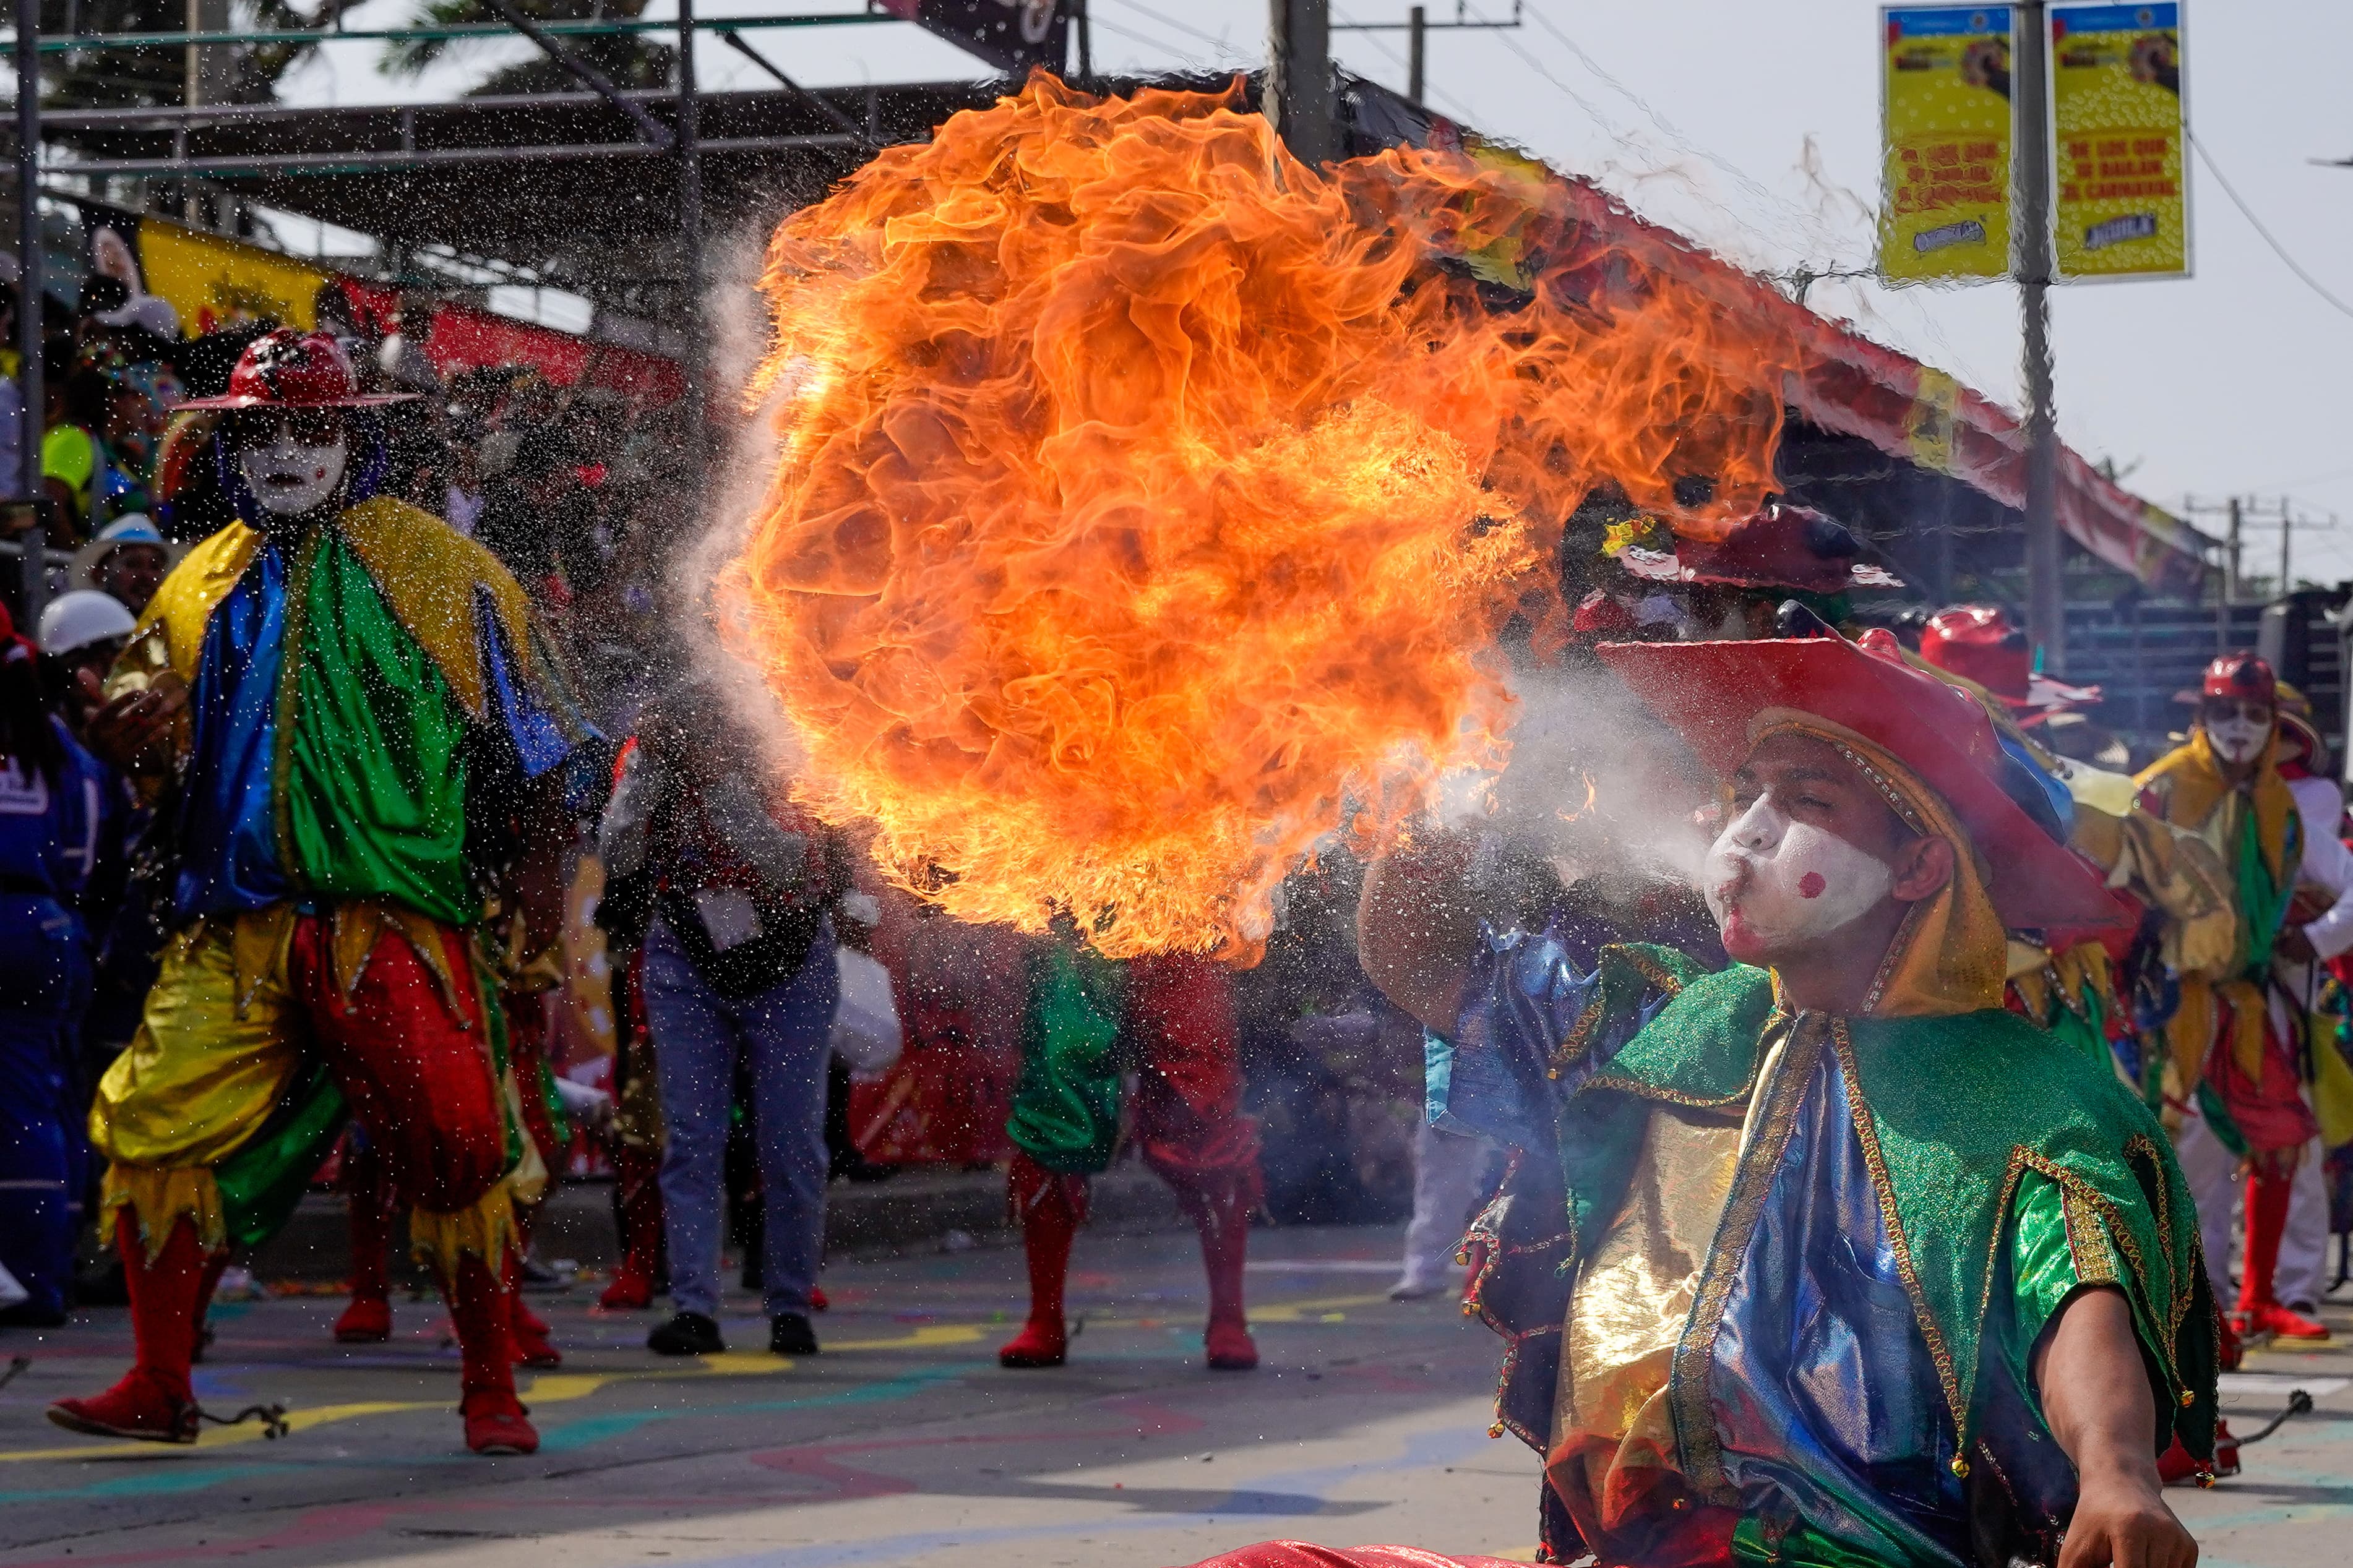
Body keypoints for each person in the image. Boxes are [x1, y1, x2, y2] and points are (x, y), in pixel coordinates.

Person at [1210, 627, 2213, 1568]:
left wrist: (2115, 1475)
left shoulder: (2032, 1096)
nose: (1747, 833)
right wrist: (1439, 775)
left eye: (1807, 803)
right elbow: (1420, 962)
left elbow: (2081, 1291)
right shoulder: (1662, 1021)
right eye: (1748, 794)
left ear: (1919, 863)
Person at [44, 329, 594, 1455]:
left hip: (393, 920)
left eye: (311, 428)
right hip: (232, 929)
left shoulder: (445, 570)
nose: (287, 452)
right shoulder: (199, 581)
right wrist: (115, 733)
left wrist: (539, 899)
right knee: (152, 1131)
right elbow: (136, 737)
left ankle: (490, 1385)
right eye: (262, 431)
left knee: (458, 1142)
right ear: (230, 444)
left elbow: (544, 749)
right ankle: (160, 1381)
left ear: (355, 437)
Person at [597, 677, 849, 1357]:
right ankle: (693, 1310)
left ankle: (789, 1304)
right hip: (686, 958)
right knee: (691, 1142)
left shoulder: (791, 747)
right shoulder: (657, 754)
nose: (708, 740)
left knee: (791, 1146)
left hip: (791, 963)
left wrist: (722, 792)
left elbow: (789, 863)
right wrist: (647, 777)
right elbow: (617, 854)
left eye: (719, 730)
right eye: (697, 729)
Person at [2138, 653, 2334, 1345]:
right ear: (2200, 718)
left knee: (2279, 1141)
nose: (2240, 728)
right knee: (2180, 1155)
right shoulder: (2159, 790)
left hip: (2246, 1000)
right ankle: (2194, 1310)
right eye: (2224, 712)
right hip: (2174, 1000)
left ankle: (2255, 1301)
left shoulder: (2282, 801)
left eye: (2255, 714)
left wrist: (2311, 931)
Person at [997, 932, 1260, 1372]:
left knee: (1206, 1124)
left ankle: (1229, 1317)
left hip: (1183, 920)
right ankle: (1044, 1317)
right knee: (1054, 1112)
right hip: (1075, 923)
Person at [0, 605, 121, 1327]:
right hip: (46, 926)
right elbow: (90, 855)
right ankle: (50, 1270)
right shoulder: (55, 750)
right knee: (41, 1102)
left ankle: (31, 1280)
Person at [69, 514, 181, 617]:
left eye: (155, 567)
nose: (147, 575)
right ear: (99, 575)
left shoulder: (172, 633)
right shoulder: (81, 630)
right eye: (133, 565)